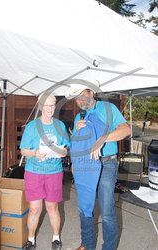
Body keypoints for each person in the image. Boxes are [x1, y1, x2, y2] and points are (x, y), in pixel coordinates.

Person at [68, 80, 131, 250]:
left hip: (106, 164)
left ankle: (108, 247)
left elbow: (126, 130)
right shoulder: (78, 117)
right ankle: (87, 245)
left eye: (82, 96)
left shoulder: (107, 109)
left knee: (107, 209)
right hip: (84, 165)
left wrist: (102, 139)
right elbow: (77, 144)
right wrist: (75, 161)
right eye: (76, 99)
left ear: (92, 93)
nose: (79, 101)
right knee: (84, 207)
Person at [20, 92, 69, 250]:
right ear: (41, 107)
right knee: (35, 209)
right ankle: (31, 240)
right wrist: (34, 153)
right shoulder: (32, 126)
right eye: (47, 105)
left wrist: (64, 152)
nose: (50, 108)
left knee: (52, 207)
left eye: (53, 105)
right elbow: (23, 151)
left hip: (54, 172)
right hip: (34, 172)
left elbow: (66, 148)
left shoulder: (59, 126)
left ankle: (56, 238)